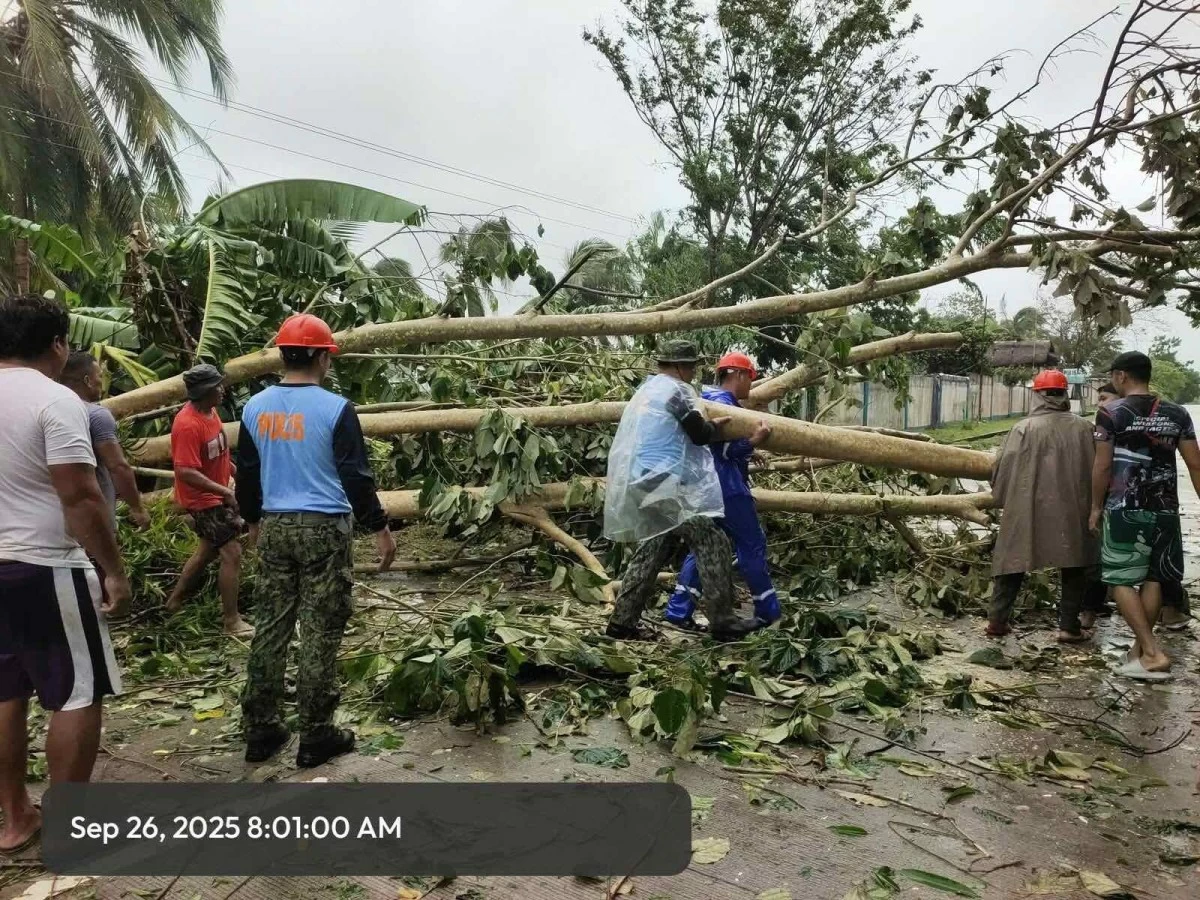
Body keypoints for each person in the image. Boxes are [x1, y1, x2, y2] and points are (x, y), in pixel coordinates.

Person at [0, 294, 131, 854]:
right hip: (45, 563)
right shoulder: (56, 401)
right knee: (77, 692)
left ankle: (14, 818)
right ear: (58, 345)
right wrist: (114, 569)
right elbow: (79, 494)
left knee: (5, 693)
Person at [236, 314, 397, 768]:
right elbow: (355, 477)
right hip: (325, 528)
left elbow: (246, 473)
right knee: (321, 630)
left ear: (284, 355)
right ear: (322, 357)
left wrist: (252, 522)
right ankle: (317, 733)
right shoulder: (335, 409)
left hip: (276, 525)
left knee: (271, 626)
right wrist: (379, 528)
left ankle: (262, 730)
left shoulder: (254, 408)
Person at [604, 340, 764, 642]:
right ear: (679, 366)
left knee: (653, 549)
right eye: (691, 366)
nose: (693, 372)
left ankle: (621, 624)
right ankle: (723, 622)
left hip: (641, 478)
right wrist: (716, 427)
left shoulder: (647, 390)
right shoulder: (677, 391)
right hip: (662, 481)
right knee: (711, 539)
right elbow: (699, 434)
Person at [1091, 351, 1200, 680]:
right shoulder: (1177, 413)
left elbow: (1103, 465)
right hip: (1165, 509)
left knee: (1121, 578)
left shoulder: (1110, 412)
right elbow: (1195, 463)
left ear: (1121, 376)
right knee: (1154, 576)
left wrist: (1096, 507)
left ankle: (1152, 652)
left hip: (1125, 508)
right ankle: (1139, 653)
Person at [664, 351, 779, 629]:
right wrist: (753, 441)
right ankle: (767, 611)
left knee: (704, 549)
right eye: (750, 377)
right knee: (752, 544)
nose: (751, 384)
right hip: (728, 489)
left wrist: (748, 453)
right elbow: (725, 451)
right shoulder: (725, 405)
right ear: (737, 374)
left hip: (707, 489)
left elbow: (710, 448)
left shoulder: (708, 400)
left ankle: (678, 612)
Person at [987, 370, 1096, 642]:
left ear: (1037, 395)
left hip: (1027, 507)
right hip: (1074, 507)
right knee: (1075, 563)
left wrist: (1001, 498)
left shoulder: (1023, 428)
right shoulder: (1085, 428)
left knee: (1012, 561)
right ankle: (1068, 627)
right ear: (1064, 394)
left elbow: (1003, 469)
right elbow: (1099, 470)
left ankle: (997, 623)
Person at [165, 364, 253, 637]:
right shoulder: (188, 424)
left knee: (206, 552)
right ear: (205, 391)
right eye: (217, 386)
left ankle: (174, 602)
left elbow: (218, 452)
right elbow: (185, 471)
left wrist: (234, 473)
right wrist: (225, 492)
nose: (223, 389)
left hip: (216, 491)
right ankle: (231, 621)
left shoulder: (211, 412)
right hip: (203, 499)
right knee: (232, 553)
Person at [59, 351, 151, 532]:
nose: (102, 381)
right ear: (87, 380)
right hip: (94, 518)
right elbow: (117, 466)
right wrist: (137, 509)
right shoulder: (95, 415)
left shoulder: (45, 410)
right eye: (99, 376)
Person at [1081, 383, 1119, 629]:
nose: (1099, 404)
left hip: (1113, 499)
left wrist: (1096, 507)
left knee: (1101, 558)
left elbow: (1102, 465)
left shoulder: (1110, 421)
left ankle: (1090, 609)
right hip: (1119, 500)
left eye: (1104, 398)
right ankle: (1092, 608)